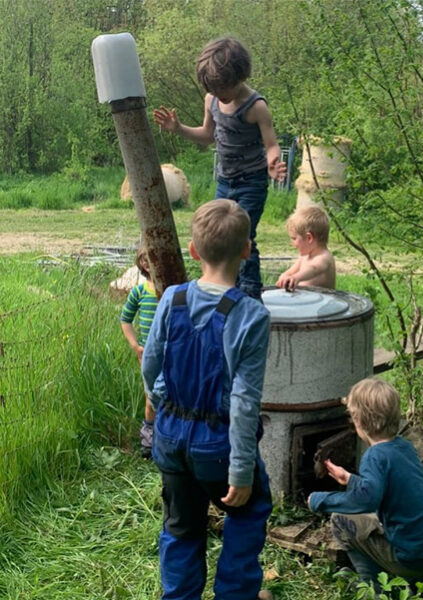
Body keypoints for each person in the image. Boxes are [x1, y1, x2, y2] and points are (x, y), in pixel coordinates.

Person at [142, 199, 273, 600]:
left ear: (194, 251)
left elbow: (150, 365)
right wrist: (239, 473)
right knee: (249, 511)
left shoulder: (172, 299)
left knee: (181, 526)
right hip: (219, 445)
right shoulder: (251, 315)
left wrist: (164, 401)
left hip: (171, 438)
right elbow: (245, 402)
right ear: (247, 250)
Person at [153, 36, 287, 300]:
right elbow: (207, 135)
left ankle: (248, 295)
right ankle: (223, 287)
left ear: (240, 76)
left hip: (251, 182)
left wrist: (273, 162)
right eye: (213, 90)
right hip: (225, 181)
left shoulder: (256, 107)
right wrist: (178, 128)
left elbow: (271, 144)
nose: (218, 95)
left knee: (242, 234)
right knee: (216, 232)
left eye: (222, 89)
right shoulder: (211, 101)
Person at [308, 377, 423, 594]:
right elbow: (381, 489)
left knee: (340, 520)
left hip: (407, 556)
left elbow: (366, 500)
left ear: (359, 420)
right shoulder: (403, 447)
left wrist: (320, 500)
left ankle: (375, 588)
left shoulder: (374, 456)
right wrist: (351, 480)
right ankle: (419, 582)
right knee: (372, 519)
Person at [119, 244, 159, 459]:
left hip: (171, 352)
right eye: (148, 259)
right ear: (143, 264)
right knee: (150, 396)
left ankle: (169, 435)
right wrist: (135, 346)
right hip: (148, 353)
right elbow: (125, 319)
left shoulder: (172, 291)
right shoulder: (140, 291)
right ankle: (148, 438)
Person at [276, 205, 336, 291]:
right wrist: (285, 275)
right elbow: (292, 270)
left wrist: (296, 277)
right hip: (304, 299)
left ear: (309, 238)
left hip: (322, 302)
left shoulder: (324, 257)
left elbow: (314, 268)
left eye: (294, 238)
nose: (292, 244)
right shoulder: (304, 256)